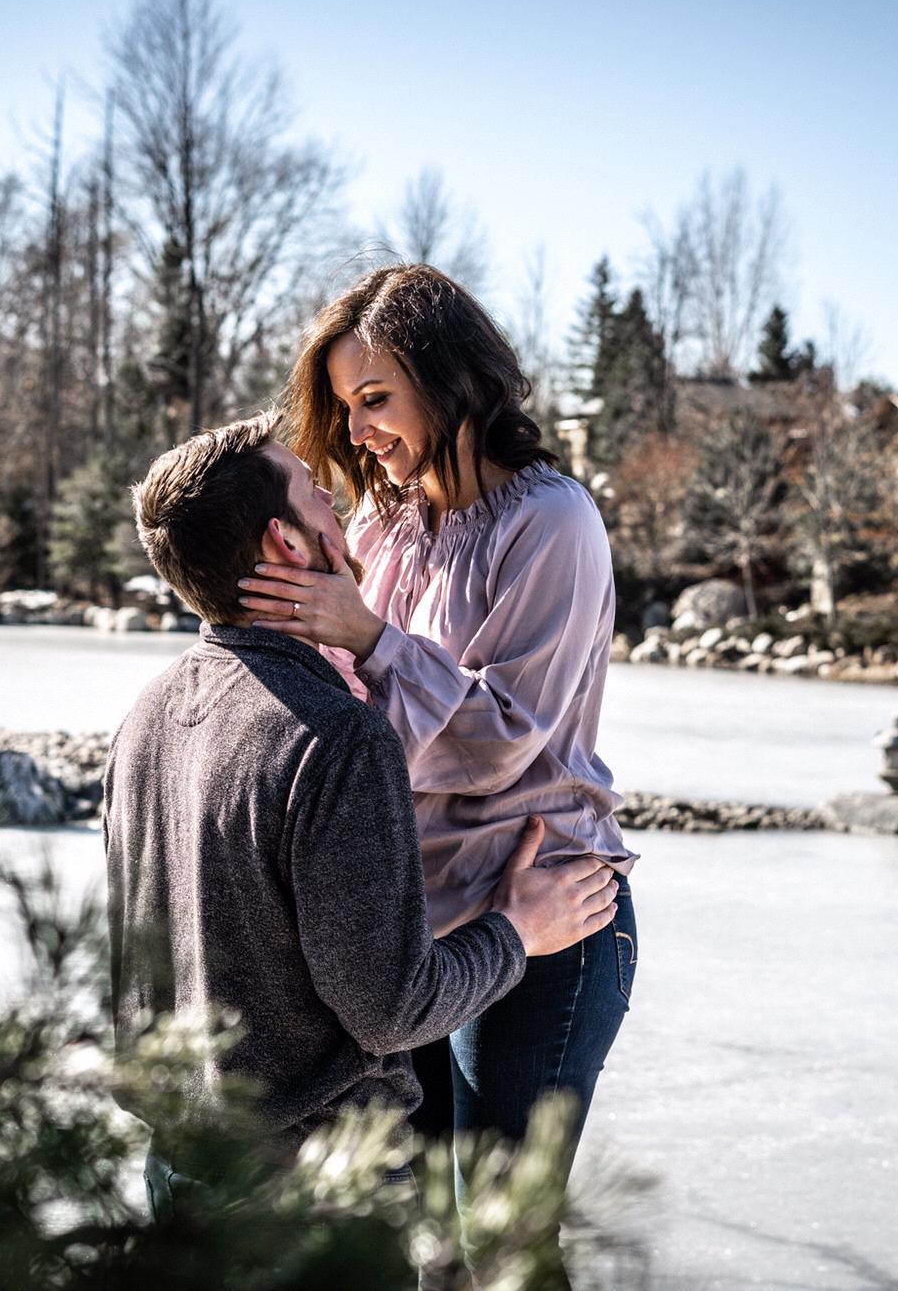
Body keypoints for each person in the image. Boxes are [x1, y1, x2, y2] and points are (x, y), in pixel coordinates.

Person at [105, 412, 619, 1217]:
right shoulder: (335, 736)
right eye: (317, 493)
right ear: (285, 543)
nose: (341, 504)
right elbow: (393, 1011)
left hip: (180, 1167)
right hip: (312, 1192)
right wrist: (519, 931)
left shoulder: (147, 715)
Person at [239, 263, 638, 1194]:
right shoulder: (384, 528)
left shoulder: (551, 521)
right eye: (345, 408)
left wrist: (370, 637)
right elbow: (345, 718)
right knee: (417, 1230)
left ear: (449, 379)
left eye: (375, 398)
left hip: (545, 910)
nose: (357, 432)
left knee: (498, 1239)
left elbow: (501, 740)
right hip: (415, 934)